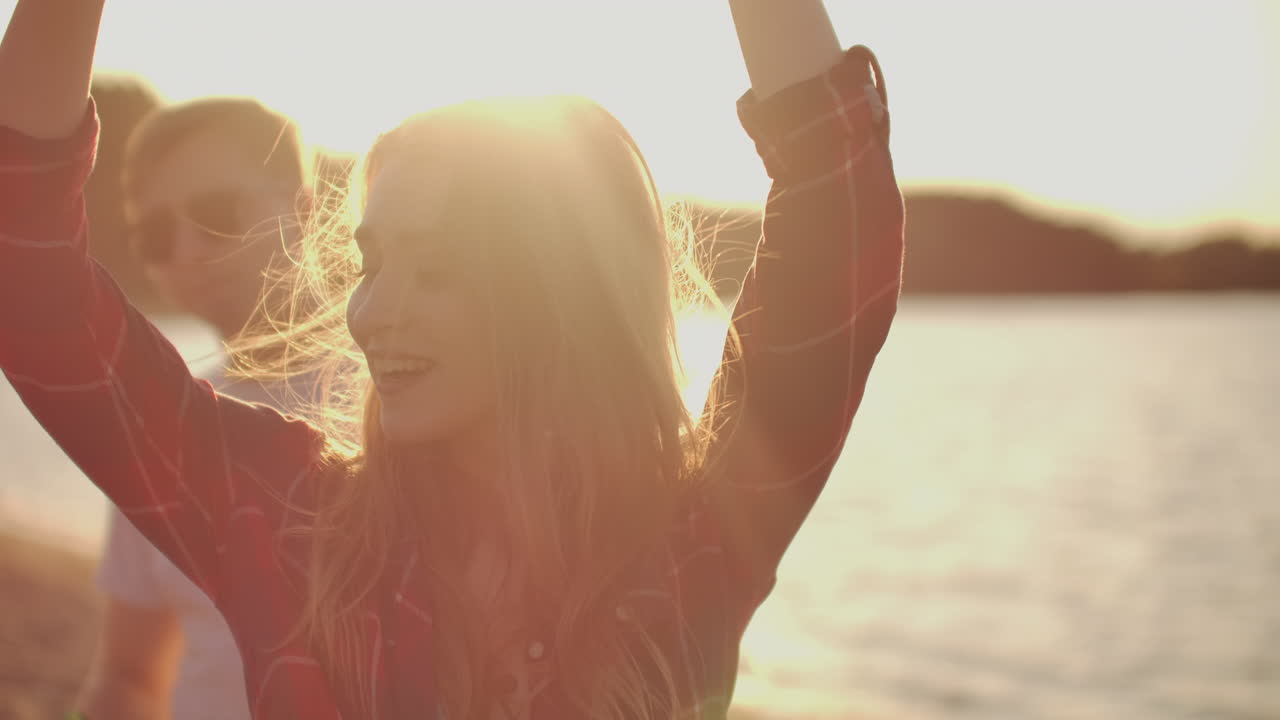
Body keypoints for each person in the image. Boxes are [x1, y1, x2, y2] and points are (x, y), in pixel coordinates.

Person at [0, 0, 904, 717]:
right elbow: (33, 293)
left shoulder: (693, 541)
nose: (371, 312)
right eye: (372, 263)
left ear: (560, 294)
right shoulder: (290, 526)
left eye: (436, 270)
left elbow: (838, 209)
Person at [74, 97, 316, 720]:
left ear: (306, 210)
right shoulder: (157, 421)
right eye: (156, 234)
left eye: (219, 214)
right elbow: (129, 675)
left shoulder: (396, 400)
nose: (187, 249)